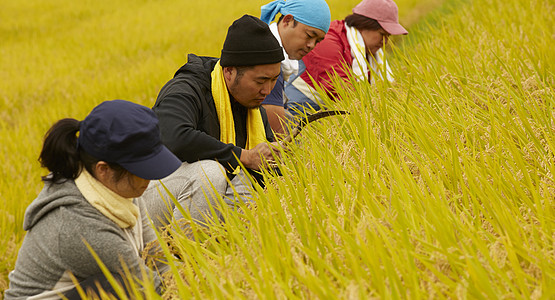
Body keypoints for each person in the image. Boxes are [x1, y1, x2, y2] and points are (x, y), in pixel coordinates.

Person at [5, 100, 182, 299]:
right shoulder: (79, 225)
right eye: (141, 170)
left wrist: (188, 276)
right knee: (120, 285)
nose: (149, 179)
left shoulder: (121, 190)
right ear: (103, 169)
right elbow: (151, 286)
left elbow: (159, 257)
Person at [141, 15, 284, 229]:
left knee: (258, 176)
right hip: (146, 199)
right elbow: (174, 137)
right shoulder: (187, 89)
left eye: (274, 80)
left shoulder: (253, 107)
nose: (268, 90)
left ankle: (225, 242)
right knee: (211, 172)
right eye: (260, 81)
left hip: (197, 200)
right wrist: (244, 155)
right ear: (229, 72)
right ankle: (183, 255)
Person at [285, 0, 408, 115]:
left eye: (388, 36)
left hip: (321, 113)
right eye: (382, 34)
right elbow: (342, 91)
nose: (385, 42)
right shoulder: (328, 42)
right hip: (296, 113)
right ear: (363, 25)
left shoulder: (364, 51)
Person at [259, 0, 331, 135]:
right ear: (287, 21)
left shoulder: (271, 50)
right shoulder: (269, 60)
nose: (311, 45)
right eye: (309, 35)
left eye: (317, 41)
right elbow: (277, 135)